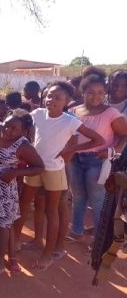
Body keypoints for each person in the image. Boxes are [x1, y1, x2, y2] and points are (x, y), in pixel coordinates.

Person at [14, 81, 104, 271]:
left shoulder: (70, 121)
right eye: (49, 96)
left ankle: (48, 254)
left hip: (55, 170)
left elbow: (98, 140)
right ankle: (14, 243)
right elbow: (23, 127)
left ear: (66, 101)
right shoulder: (37, 114)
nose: (51, 100)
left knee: (52, 210)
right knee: (25, 203)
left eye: (57, 98)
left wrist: (71, 149)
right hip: (34, 167)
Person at [0, 110, 44, 278]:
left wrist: (16, 173)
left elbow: (39, 167)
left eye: (14, 128)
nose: (7, 130)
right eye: (6, 124)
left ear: (23, 131)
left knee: (0, 225)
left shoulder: (23, 146)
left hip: (3, 189)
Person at [67, 70, 127, 243]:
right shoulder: (73, 111)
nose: (96, 96)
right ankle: (76, 231)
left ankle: (98, 241)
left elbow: (124, 134)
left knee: (97, 200)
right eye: (91, 92)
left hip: (98, 161)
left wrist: (112, 151)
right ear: (83, 91)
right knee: (78, 197)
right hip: (76, 160)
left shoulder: (111, 113)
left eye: (101, 92)